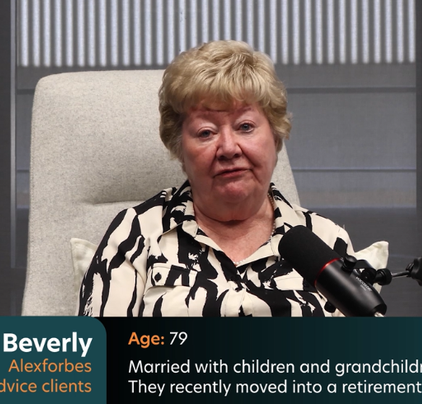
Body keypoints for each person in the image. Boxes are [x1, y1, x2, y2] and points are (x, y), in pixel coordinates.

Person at [78, 40, 354, 317]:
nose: (229, 148)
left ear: (275, 136)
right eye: (206, 132)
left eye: (245, 126)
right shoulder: (135, 234)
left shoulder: (325, 240)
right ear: (179, 148)